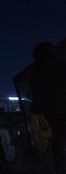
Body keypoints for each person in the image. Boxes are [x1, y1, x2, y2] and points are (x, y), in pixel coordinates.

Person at [30, 41, 66, 173]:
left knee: (57, 141)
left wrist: (37, 109)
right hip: (62, 107)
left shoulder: (36, 69)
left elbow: (36, 92)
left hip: (50, 112)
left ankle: (59, 168)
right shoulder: (59, 64)